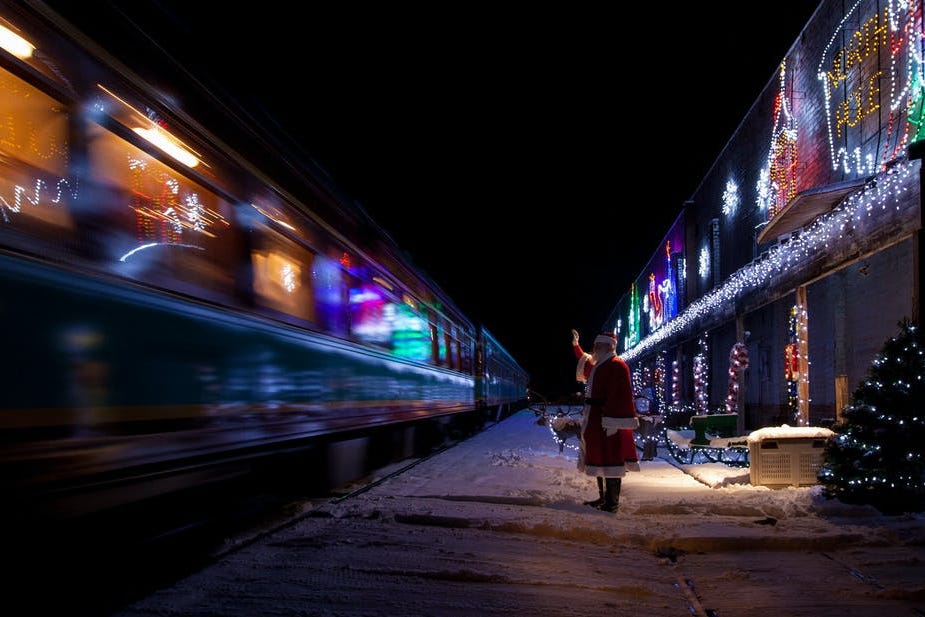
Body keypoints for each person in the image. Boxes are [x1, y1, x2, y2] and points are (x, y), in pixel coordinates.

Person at [575, 331, 639, 513]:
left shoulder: (617, 366)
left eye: (597, 347)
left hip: (608, 421)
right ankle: (603, 498)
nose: (593, 350)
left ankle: (612, 503)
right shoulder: (602, 364)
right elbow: (585, 362)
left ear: (607, 346)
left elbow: (621, 396)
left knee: (612, 459)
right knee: (600, 457)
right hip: (597, 419)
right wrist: (575, 346)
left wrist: (613, 422)